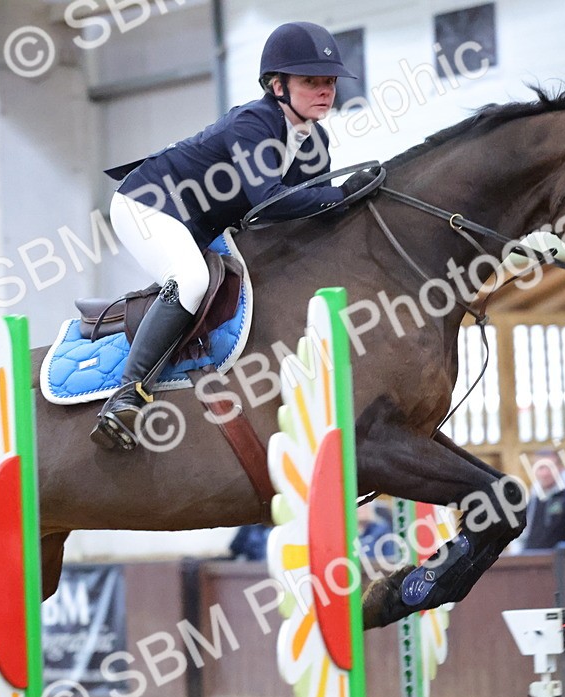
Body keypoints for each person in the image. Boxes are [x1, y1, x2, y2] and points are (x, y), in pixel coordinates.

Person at [92, 21, 372, 448]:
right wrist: (340, 195)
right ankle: (127, 394)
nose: (325, 91)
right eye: (311, 81)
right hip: (147, 205)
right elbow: (272, 203)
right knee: (190, 280)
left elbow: (305, 222)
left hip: (203, 224)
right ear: (277, 86)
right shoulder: (253, 123)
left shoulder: (316, 143)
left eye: (330, 81)